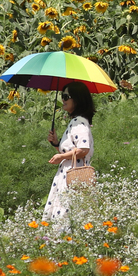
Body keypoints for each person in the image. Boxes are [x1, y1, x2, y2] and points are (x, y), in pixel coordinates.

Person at [43, 81, 95, 230]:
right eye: (62, 96)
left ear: (77, 100)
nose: (63, 100)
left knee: (67, 216)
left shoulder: (79, 122)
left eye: (66, 96)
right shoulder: (76, 122)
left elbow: (83, 149)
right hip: (68, 174)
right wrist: (56, 144)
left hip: (73, 176)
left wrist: (61, 157)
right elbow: (72, 151)